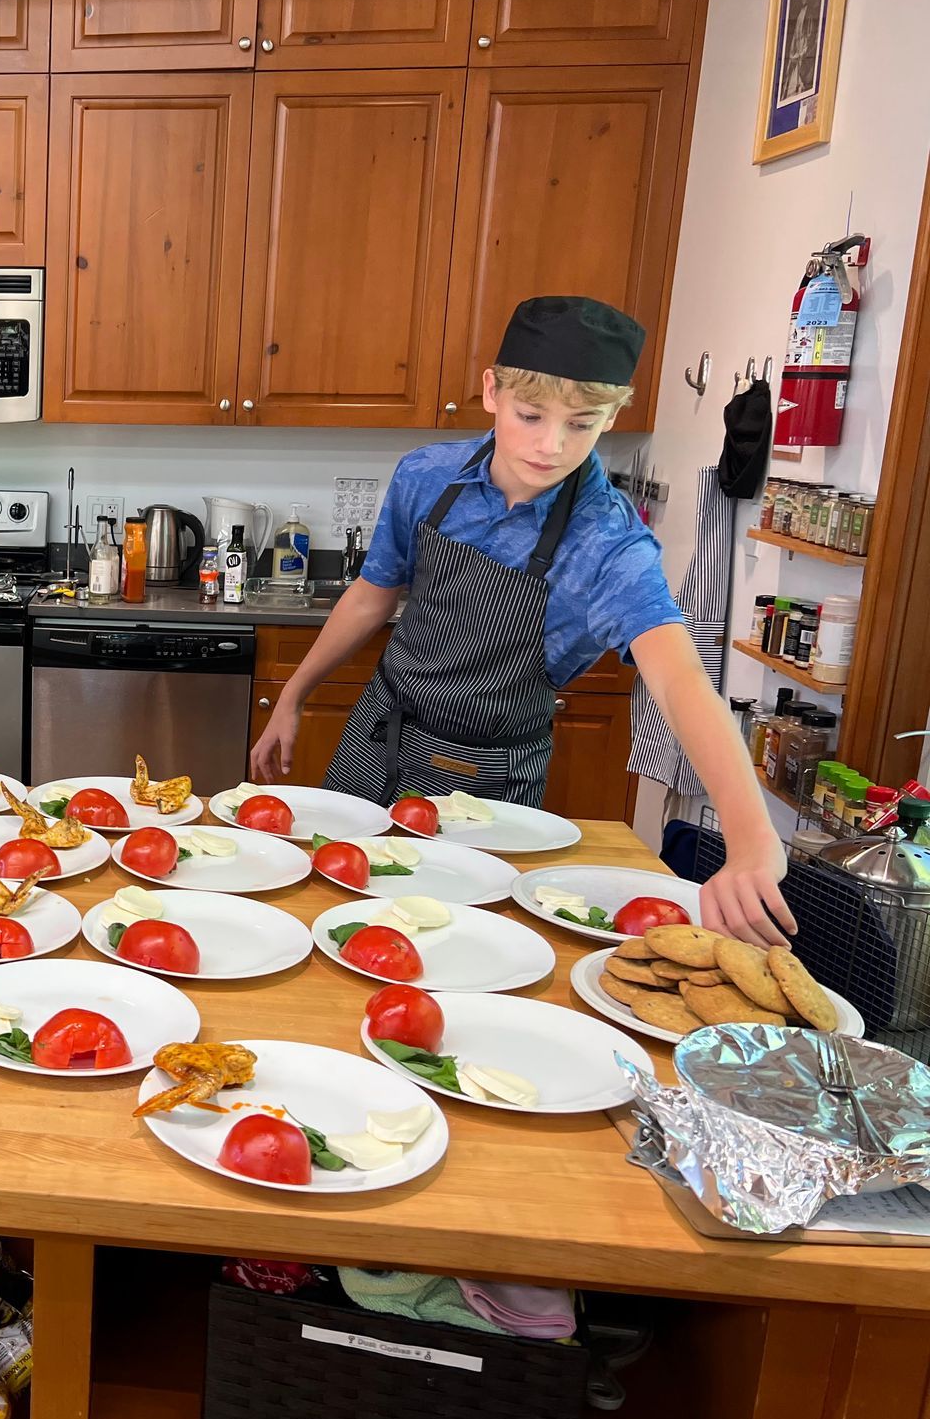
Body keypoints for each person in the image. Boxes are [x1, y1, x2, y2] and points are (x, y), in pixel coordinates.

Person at [249, 297, 795, 950]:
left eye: (581, 424)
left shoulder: (608, 544)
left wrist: (752, 839)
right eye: (530, 415)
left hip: (484, 784)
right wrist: (294, 694)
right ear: (492, 391)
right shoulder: (427, 476)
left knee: (446, 944)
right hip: (374, 741)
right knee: (330, 918)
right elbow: (372, 594)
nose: (550, 445)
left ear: (612, 415)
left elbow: (680, 679)